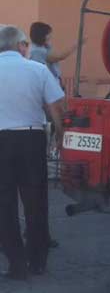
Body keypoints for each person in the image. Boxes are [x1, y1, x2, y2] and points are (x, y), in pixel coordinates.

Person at [0, 25, 65, 280]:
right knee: (35, 201)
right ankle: (37, 261)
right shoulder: (37, 69)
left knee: (3, 204)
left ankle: (16, 263)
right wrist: (60, 137)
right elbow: (55, 107)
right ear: (20, 45)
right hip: (31, 138)